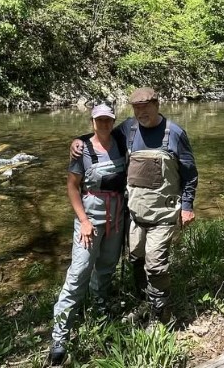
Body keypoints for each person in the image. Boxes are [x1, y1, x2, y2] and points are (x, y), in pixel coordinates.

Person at [71, 87, 197, 325]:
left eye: (145, 107)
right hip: (135, 215)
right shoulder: (128, 129)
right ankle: (145, 302)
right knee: (136, 260)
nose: (141, 112)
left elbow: (190, 174)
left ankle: (161, 317)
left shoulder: (175, 133)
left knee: (156, 265)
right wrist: (79, 141)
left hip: (163, 215)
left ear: (157, 104)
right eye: (136, 108)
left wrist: (188, 205)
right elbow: (101, 134)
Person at [49, 104, 128, 366]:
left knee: (106, 268)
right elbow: (72, 187)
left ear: (113, 121)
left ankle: (101, 312)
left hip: (116, 218)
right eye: (99, 120)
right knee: (79, 272)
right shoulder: (81, 149)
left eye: (108, 119)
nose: (104, 124)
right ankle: (60, 335)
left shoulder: (121, 139)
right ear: (92, 121)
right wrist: (83, 220)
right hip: (90, 221)